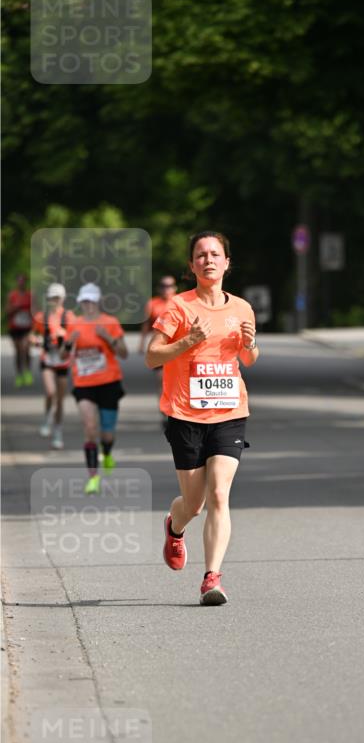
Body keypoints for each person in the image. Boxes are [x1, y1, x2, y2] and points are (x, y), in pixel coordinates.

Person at [145, 231, 258, 606]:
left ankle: (212, 578)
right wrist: (187, 341)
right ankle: (174, 528)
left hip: (229, 413)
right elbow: (152, 357)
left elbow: (249, 359)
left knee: (220, 495)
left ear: (227, 262)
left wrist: (250, 344)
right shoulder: (178, 307)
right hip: (185, 414)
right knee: (193, 503)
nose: (208, 260)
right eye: (200, 255)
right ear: (191, 266)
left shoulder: (241, 308)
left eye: (215, 254)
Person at [64, 283, 128, 494]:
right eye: (84, 301)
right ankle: (93, 477)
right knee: (90, 428)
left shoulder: (110, 322)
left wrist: (107, 338)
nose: (88, 305)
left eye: (91, 301)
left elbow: (124, 353)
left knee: (107, 434)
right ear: (81, 302)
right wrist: (68, 345)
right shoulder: (74, 324)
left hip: (109, 383)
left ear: (98, 301)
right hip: (84, 384)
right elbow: (63, 356)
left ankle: (107, 452)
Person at [30, 282, 74, 449]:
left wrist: (66, 336)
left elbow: (76, 336)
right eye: (51, 298)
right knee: (50, 392)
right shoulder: (42, 317)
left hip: (63, 361)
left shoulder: (69, 317)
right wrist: (35, 340)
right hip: (47, 358)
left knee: (61, 400)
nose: (54, 301)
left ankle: (58, 431)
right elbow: (32, 335)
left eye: (57, 298)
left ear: (62, 299)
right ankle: (47, 417)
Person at [138, 275, 178, 428]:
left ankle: (178, 411)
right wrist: (142, 344)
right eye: (163, 285)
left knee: (178, 382)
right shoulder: (153, 304)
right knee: (162, 382)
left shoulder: (180, 302)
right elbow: (146, 325)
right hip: (160, 349)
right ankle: (164, 413)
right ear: (159, 288)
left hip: (177, 349)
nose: (166, 288)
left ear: (175, 287)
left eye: (169, 285)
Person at [5, 273, 33, 387]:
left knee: (25, 349)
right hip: (15, 328)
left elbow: (36, 310)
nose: (21, 282)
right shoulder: (12, 295)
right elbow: (7, 311)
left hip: (27, 327)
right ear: (17, 282)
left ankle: (27, 372)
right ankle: (19, 374)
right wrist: (16, 307)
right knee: (18, 352)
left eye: (23, 280)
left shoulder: (30, 295)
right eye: (19, 280)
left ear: (25, 282)